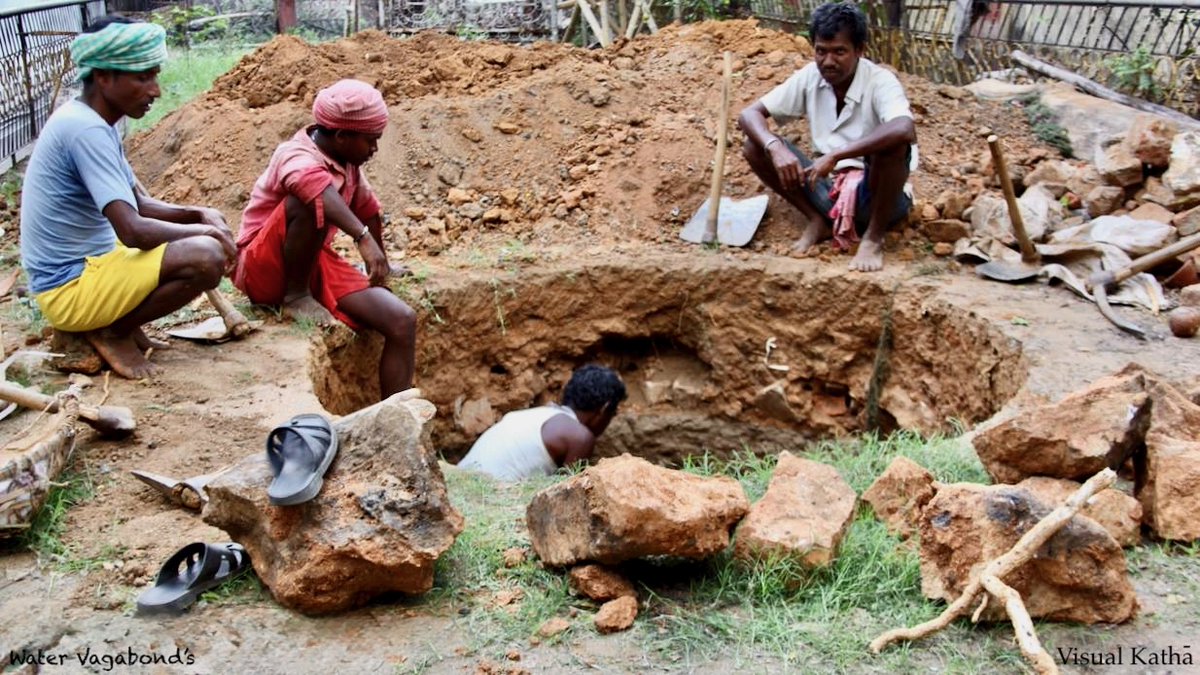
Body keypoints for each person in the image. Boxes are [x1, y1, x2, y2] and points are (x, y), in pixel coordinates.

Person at [19, 15, 235, 379]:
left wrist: (200, 214)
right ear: (104, 77)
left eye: (153, 75)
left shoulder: (94, 119)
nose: (155, 90)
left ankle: (122, 323)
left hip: (92, 266)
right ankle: (111, 332)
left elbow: (138, 204)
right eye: (142, 77)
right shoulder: (85, 129)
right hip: (69, 287)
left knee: (199, 243)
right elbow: (133, 231)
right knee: (205, 257)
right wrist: (208, 236)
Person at [233, 79, 417, 399]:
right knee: (309, 201)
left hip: (310, 261)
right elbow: (313, 190)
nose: (375, 149)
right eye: (370, 141)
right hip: (260, 266)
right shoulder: (293, 154)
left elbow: (368, 210)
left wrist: (380, 260)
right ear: (342, 136)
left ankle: (398, 414)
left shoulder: (349, 163)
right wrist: (361, 238)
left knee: (402, 320)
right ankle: (294, 298)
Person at [738, 1, 918, 272]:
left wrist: (837, 154)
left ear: (860, 50)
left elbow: (905, 128)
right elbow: (749, 115)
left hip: (879, 198)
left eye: (839, 52)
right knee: (755, 146)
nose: (828, 61)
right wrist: (775, 147)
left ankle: (873, 237)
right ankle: (817, 221)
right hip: (827, 191)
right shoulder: (811, 76)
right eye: (820, 51)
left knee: (892, 146)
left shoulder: (880, 81)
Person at [457, 365, 627, 482]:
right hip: (488, 501)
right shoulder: (580, 437)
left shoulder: (536, 415)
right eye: (613, 413)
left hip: (459, 486)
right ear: (604, 409)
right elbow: (567, 497)